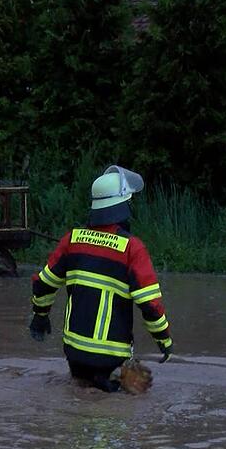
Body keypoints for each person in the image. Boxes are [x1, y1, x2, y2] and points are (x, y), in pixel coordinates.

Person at [29, 165, 174, 392]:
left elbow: (43, 283)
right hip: (111, 358)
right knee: (111, 419)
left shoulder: (72, 240)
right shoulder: (131, 248)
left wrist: (40, 316)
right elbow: (150, 305)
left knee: (79, 405)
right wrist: (164, 340)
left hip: (75, 354)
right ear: (122, 206)